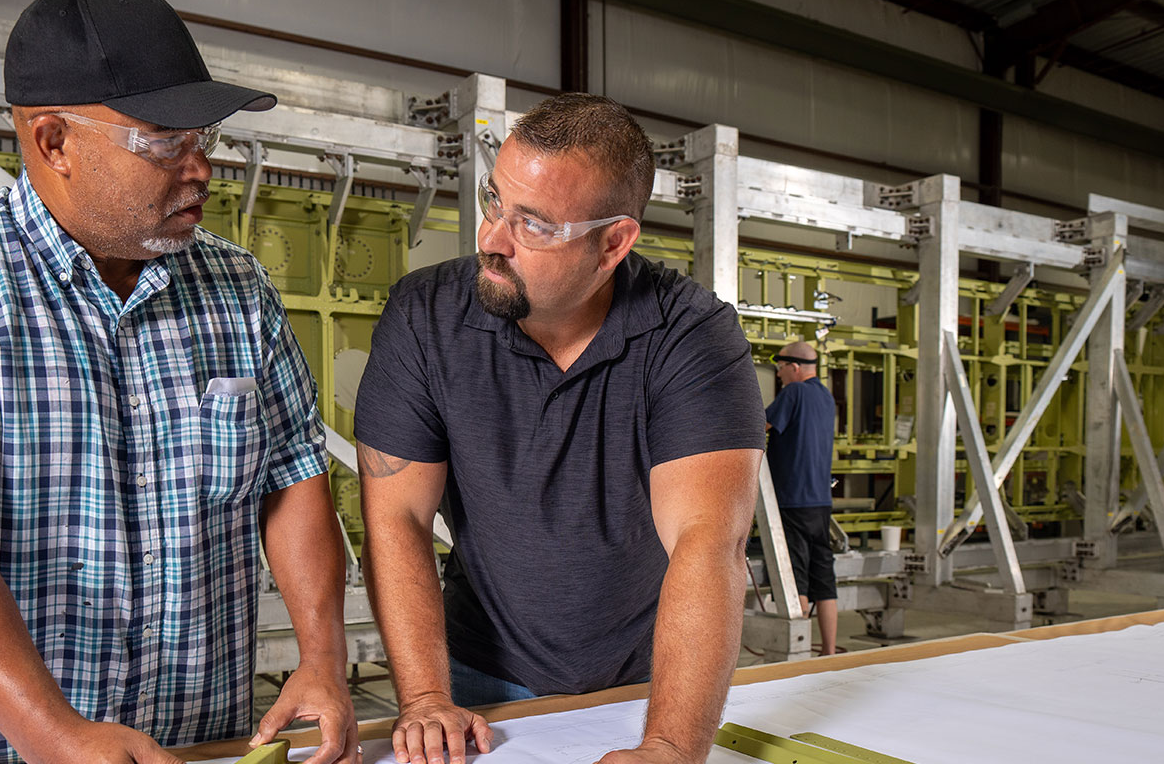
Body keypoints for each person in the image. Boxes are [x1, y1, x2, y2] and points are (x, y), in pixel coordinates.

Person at [0, 0, 356, 764]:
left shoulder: (237, 290)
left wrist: (321, 657)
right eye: (165, 143)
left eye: (204, 139)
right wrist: (51, 730)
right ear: (53, 142)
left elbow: (294, 478)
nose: (201, 168)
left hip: (196, 739)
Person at [355, 93, 767, 764]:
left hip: (647, 684)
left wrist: (669, 744)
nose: (490, 238)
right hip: (472, 681)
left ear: (613, 242)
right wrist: (425, 698)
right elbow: (396, 516)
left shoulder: (691, 334)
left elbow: (708, 541)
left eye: (534, 225)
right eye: (494, 201)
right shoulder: (425, 316)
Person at [765, 341, 840, 656]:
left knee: (796, 579)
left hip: (792, 501)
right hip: (821, 502)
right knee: (824, 576)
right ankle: (829, 651)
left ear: (793, 367)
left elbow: (758, 426)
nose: (779, 375)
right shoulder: (826, 397)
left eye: (780, 368)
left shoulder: (793, 394)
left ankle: (801, 654)